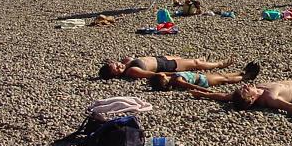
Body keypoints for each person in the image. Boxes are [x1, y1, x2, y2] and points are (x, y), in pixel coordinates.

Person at [98, 55, 240, 80]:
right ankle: (220, 64)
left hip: (161, 58)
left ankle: (203, 61)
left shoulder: (125, 62)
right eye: (116, 69)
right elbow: (151, 74)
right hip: (165, 66)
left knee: (189, 60)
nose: (118, 66)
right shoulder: (131, 71)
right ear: (116, 75)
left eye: (116, 64)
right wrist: (169, 74)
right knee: (196, 64)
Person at [150, 68, 257, 92]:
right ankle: (246, 77)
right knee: (224, 79)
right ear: (162, 78)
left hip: (201, 76)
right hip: (203, 81)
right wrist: (207, 91)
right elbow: (192, 86)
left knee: (221, 75)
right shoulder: (177, 80)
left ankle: (241, 72)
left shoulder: (173, 77)